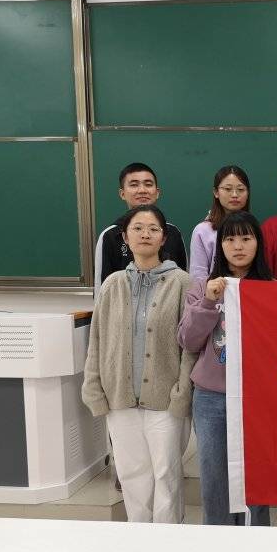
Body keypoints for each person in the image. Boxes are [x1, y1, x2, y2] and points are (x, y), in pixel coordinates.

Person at [82, 205, 195, 524]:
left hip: (166, 399)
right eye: (138, 228)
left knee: (166, 475)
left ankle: (167, 542)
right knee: (132, 475)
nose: (145, 234)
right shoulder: (112, 284)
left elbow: (190, 347)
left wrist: (182, 392)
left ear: (163, 238)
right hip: (120, 398)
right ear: (125, 237)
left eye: (153, 229)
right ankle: (139, 540)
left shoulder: (182, 283)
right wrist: (94, 390)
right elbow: (97, 340)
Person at [178, 212, 272, 527]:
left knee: (256, 476)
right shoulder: (203, 287)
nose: (238, 246)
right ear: (220, 246)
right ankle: (217, 542)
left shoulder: (272, 289)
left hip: (257, 398)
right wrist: (208, 302)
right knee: (214, 477)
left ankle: (256, 538)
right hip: (211, 398)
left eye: (246, 238)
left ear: (258, 243)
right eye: (230, 239)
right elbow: (188, 340)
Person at [94, 162, 187, 294]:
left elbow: (184, 282)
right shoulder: (110, 236)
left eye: (148, 184)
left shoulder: (172, 233)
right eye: (134, 185)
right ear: (122, 193)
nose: (142, 190)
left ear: (157, 192)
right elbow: (102, 290)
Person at [188, 165, 251, 281]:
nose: (235, 195)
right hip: (215, 291)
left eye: (241, 189)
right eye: (228, 189)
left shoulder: (252, 228)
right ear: (216, 192)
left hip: (247, 291)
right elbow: (198, 277)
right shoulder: (202, 231)